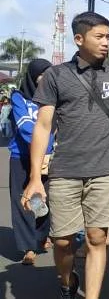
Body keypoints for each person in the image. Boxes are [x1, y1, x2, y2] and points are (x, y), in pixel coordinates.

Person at [22, 11, 109, 299]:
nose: (106, 42)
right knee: (62, 241)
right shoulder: (56, 76)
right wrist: (35, 178)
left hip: (106, 170)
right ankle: (66, 281)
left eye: (108, 36)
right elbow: (43, 126)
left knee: (98, 238)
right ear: (78, 38)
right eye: (99, 36)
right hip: (65, 171)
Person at [7, 59, 54, 265]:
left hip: (47, 158)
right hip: (21, 157)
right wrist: (44, 144)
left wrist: (49, 149)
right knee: (23, 201)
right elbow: (25, 126)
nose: (46, 79)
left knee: (43, 200)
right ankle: (28, 247)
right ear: (34, 76)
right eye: (43, 74)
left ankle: (41, 236)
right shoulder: (19, 97)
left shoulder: (53, 98)